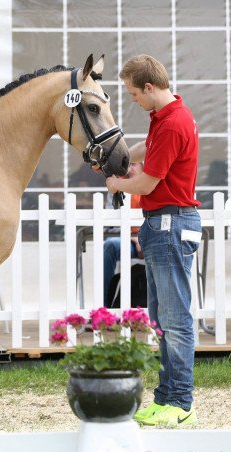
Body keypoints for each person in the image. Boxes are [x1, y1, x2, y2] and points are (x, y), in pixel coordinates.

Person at [107, 54, 201, 427]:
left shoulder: (173, 123)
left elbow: (146, 184)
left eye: (133, 94)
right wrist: (119, 158)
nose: (133, 100)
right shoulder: (167, 117)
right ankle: (166, 399)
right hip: (165, 224)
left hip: (170, 224)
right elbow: (147, 152)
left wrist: (117, 183)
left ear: (149, 87)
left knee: (174, 320)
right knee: (162, 317)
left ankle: (181, 402)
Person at [103, 160, 143, 306]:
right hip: (126, 241)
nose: (129, 168)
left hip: (152, 239)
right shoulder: (116, 186)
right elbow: (110, 223)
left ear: (143, 166)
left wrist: (142, 238)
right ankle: (104, 308)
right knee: (110, 245)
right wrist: (133, 237)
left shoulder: (151, 184)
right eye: (127, 164)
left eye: (133, 164)